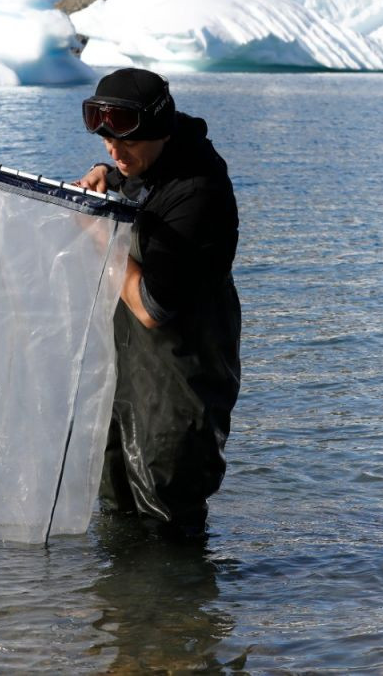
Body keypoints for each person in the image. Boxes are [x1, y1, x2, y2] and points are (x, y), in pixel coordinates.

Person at [75, 68, 241, 538]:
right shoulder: (150, 162)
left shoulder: (197, 190)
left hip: (182, 381)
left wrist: (100, 233)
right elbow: (139, 184)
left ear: (160, 130)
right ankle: (124, 611)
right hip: (131, 377)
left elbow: (151, 308)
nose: (112, 150)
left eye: (123, 143)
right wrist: (110, 176)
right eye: (105, 141)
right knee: (118, 502)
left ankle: (182, 610)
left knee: (168, 514)